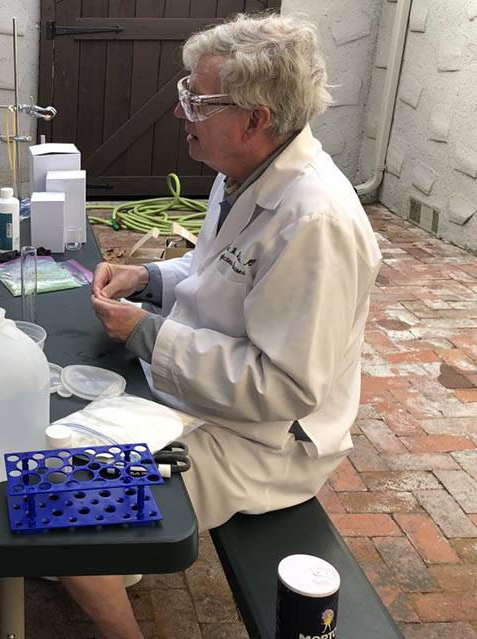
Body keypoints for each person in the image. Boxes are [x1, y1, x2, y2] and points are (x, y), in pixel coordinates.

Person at [68, 12, 382, 634]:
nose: (181, 111)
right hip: (214, 401)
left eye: (197, 99)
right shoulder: (246, 172)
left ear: (255, 119)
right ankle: (114, 556)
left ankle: (101, 567)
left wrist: (146, 332)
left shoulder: (315, 222)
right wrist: (147, 280)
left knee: (70, 511)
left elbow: (285, 389)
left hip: (265, 442)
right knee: (63, 423)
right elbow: (218, 266)